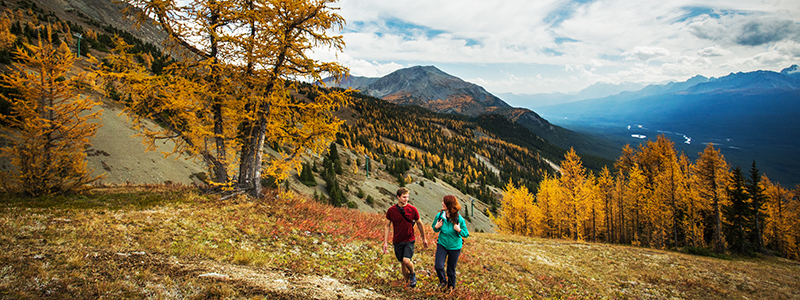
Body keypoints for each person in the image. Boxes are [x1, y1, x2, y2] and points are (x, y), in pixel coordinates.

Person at [383, 187, 428, 288]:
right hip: (397, 240)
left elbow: (419, 223)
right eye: (404, 197)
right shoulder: (391, 210)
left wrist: (424, 238)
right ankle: (408, 283)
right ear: (398, 197)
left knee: (406, 260)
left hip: (409, 239)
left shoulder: (412, 209)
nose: (406, 199)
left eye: (407, 197)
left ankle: (412, 274)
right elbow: (387, 225)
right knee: (402, 263)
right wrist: (385, 242)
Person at [432, 195, 469, 291]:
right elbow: (434, 228)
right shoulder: (439, 216)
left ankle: (451, 287)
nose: (442, 203)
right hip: (442, 244)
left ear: (449, 205)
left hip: (455, 247)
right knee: (438, 266)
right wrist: (436, 227)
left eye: (444, 202)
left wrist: (459, 230)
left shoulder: (459, 219)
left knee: (451, 270)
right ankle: (443, 281)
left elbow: (466, 234)